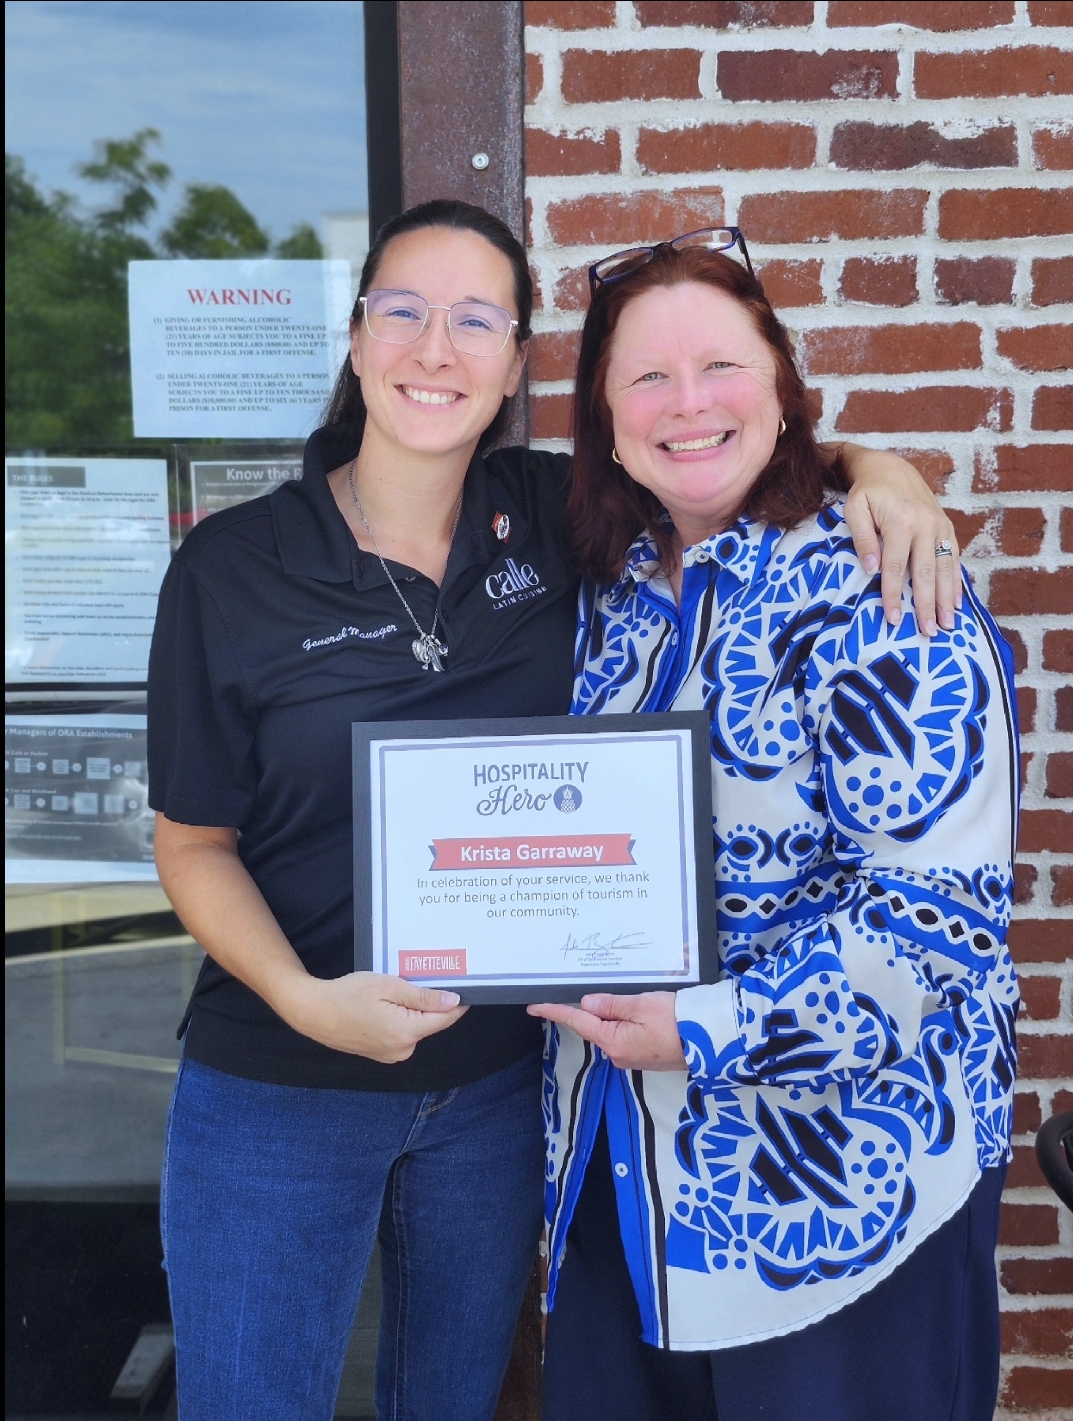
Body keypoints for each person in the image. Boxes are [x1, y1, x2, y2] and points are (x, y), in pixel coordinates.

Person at [147, 201, 964, 1421]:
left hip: (495, 1082)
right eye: (404, 312)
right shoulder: (232, 567)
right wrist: (305, 998)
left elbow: (711, 444)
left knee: (456, 1401)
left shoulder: (554, 512)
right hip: (281, 1080)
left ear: (515, 357)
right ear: (358, 338)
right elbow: (191, 842)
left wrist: (879, 471)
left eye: (475, 319)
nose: (436, 348)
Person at [531, 232, 1019, 1421]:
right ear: (602, 414)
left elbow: (934, 922)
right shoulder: (611, 597)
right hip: (624, 1184)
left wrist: (700, 1031)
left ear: (783, 384)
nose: (685, 403)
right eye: (644, 376)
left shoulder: (884, 590)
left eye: (719, 366)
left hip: (834, 1214)